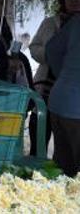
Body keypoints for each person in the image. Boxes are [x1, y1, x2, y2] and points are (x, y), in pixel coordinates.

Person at [29, 0, 80, 155]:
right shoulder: (50, 23)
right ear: (62, 0)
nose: (76, 0)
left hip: (68, 96)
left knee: (62, 149)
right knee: (39, 144)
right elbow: (34, 47)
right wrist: (54, 59)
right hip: (46, 88)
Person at [46, 13, 80, 176]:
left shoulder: (76, 21)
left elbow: (51, 49)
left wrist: (65, 76)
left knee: (62, 170)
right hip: (76, 111)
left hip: (61, 99)